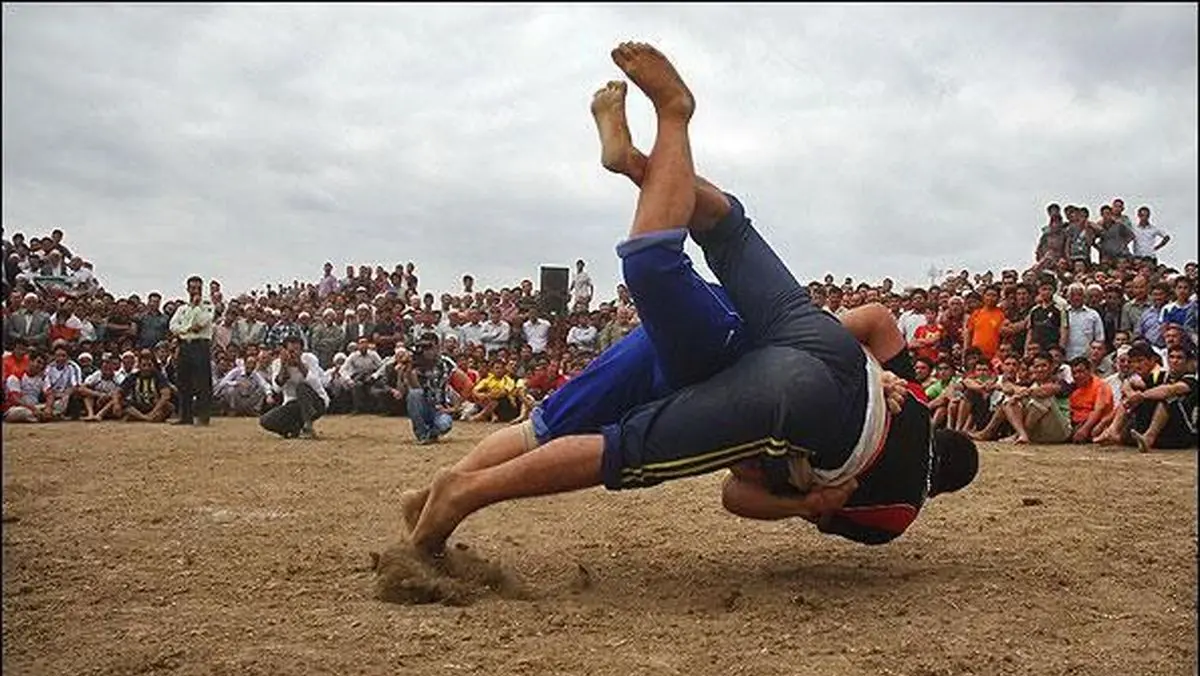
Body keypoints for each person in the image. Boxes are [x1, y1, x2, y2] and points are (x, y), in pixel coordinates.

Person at [398, 43, 977, 559]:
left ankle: (643, 167)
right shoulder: (893, 518)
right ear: (939, 490)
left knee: (728, 231)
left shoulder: (919, 403)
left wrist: (874, 371)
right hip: (781, 390)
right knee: (622, 440)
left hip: (813, 344)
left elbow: (876, 318)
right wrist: (808, 504)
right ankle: (463, 492)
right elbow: (740, 493)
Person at [259, 333, 329, 439]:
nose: (295, 353)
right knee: (265, 421)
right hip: (292, 404)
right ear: (284, 351)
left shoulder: (310, 359)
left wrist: (300, 365)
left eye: (298, 350)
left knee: (302, 387)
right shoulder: (277, 363)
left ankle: (308, 425)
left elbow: (317, 383)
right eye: (291, 351)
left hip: (316, 402)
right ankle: (294, 429)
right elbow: (277, 389)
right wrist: (284, 367)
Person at [168, 275, 215, 426]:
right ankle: (185, 416)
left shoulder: (207, 305)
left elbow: (201, 322)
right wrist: (187, 330)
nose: (195, 291)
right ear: (187, 289)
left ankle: (203, 416)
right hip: (184, 346)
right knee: (183, 381)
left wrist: (196, 307)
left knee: (202, 382)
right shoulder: (182, 308)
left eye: (198, 288)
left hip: (200, 345)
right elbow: (172, 326)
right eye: (193, 288)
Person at [406, 333, 469, 445]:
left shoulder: (445, 362)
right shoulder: (417, 362)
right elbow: (414, 387)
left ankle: (431, 434)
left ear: (437, 347)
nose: (426, 351)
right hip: (425, 405)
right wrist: (409, 368)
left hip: (441, 408)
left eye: (429, 347)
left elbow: (467, 384)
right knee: (414, 394)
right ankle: (422, 434)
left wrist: (455, 408)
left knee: (444, 425)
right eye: (423, 347)